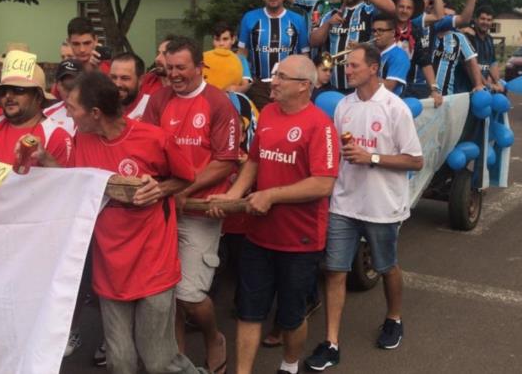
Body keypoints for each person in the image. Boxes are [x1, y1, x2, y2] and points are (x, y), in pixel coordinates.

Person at [38, 72, 208, 374]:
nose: (67, 112)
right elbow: (77, 182)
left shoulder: (153, 138)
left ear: (95, 113)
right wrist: (44, 160)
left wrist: (161, 188)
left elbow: (186, 176)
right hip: (110, 267)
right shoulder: (83, 138)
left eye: (72, 107)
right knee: (120, 363)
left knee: (159, 362)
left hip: (153, 262)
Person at [207, 55, 340, 374]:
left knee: (291, 317)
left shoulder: (320, 126)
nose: (273, 82)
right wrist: (232, 196)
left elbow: (323, 184)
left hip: (299, 241)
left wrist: (272, 195)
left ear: (304, 86)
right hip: (258, 236)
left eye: (281, 77)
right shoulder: (266, 113)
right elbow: (253, 162)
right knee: (249, 312)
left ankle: (290, 364)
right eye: (274, 75)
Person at [305, 46, 423, 371]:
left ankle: (394, 318)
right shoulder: (343, 104)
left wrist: (370, 157)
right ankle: (331, 342)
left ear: (373, 68)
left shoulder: (394, 108)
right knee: (334, 270)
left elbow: (415, 159)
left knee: (387, 267)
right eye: (348, 66)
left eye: (355, 65)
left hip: (382, 206)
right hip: (344, 203)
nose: (348, 70)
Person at [143, 37, 240, 374]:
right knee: (165, 294)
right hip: (164, 210)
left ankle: (214, 338)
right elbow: (149, 149)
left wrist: (185, 187)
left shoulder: (219, 103)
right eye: (168, 68)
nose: (174, 75)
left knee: (188, 294)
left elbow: (226, 161)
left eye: (181, 68)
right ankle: (175, 359)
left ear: (200, 67)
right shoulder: (158, 100)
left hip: (200, 210)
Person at [309, 0, 396, 93]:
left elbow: (392, 8)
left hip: (363, 88)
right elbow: (313, 42)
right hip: (333, 86)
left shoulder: (371, 10)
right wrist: (328, 24)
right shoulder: (331, 14)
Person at [238, 0, 310, 109]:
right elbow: (242, 53)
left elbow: (304, 56)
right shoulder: (249, 18)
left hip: (288, 85)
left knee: (287, 122)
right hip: (259, 85)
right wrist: (246, 79)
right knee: (263, 123)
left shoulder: (298, 20)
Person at [465, 6, 504, 92]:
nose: (485, 22)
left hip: (484, 89)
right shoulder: (469, 36)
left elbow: (492, 64)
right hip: (468, 89)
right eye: (482, 19)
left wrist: (497, 82)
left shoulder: (489, 39)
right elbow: (471, 65)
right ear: (475, 19)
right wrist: (488, 85)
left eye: (489, 20)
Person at [205, 23, 251, 93]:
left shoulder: (240, 59)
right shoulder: (205, 58)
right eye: (217, 39)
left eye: (225, 39)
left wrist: (237, 89)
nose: (221, 43)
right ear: (213, 41)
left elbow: (246, 84)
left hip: (230, 98)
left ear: (233, 40)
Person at [372, 18, 411, 96]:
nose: (376, 34)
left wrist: (364, 74)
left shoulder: (399, 56)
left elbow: (389, 86)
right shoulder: (374, 53)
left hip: (391, 104)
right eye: (374, 31)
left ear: (393, 32)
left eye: (381, 30)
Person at [109, 52, 154, 120]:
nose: (117, 84)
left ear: (140, 80)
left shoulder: (151, 106)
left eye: (125, 78)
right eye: (113, 77)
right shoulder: (102, 108)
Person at [45, 59, 82, 137]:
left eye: (75, 85)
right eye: (66, 86)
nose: (71, 91)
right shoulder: (46, 114)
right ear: (58, 85)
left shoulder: (94, 115)